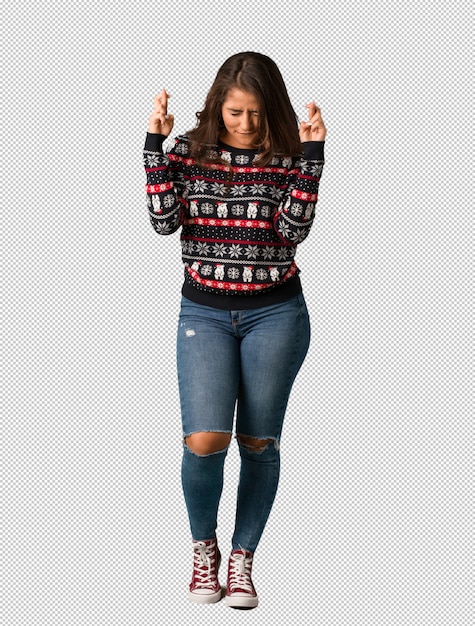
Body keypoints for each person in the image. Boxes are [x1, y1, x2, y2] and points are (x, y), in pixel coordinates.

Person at [143, 51, 326, 609]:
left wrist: (314, 155)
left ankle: (244, 559)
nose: (245, 125)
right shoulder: (188, 152)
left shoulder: (288, 155)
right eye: (234, 113)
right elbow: (163, 221)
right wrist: (155, 147)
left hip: (276, 313)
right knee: (204, 440)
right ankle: (205, 551)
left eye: (255, 114)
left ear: (271, 109)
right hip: (203, 312)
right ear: (218, 107)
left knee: (258, 441)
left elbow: (293, 232)